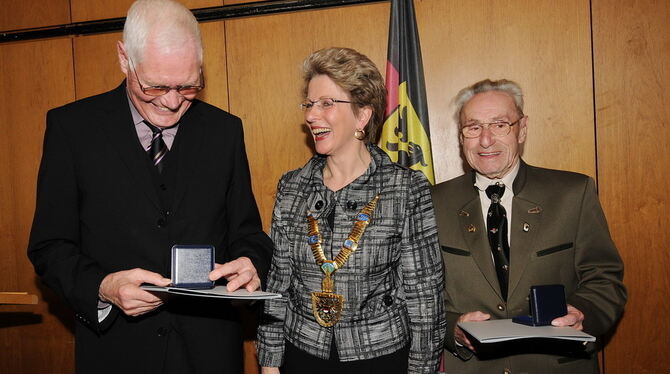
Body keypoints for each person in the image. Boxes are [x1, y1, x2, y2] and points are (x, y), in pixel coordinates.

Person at [27, 0, 273, 373]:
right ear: (125, 59)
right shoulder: (72, 129)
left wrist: (251, 264)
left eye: (189, 86)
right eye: (156, 86)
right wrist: (103, 286)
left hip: (208, 353)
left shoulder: (224, 131)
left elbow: (247, 233)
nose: (172, 102)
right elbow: (49, 246)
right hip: (117, 352)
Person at [256, 47, 446, 373]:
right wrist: (270, 364)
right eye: (310, 104)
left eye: (327, 103)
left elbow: (425, 300)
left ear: (362, 115)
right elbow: (276, 287)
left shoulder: (404, 189)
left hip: (381, 358)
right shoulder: (292, 187)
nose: (311, 115)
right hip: (301, 355)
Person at [432, 78, 627, 373]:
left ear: (522, 129)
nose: (486, 140)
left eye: (500, 125)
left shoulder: (573, 193)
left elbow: (604, 279)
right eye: (473, 128)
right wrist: (452, 329)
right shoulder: (431, 203)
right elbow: (417, 296)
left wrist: (583, 313)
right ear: (461, 137)